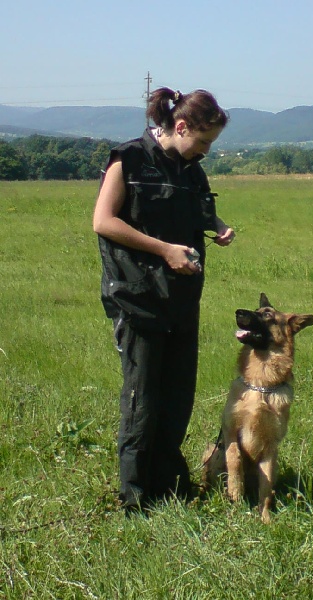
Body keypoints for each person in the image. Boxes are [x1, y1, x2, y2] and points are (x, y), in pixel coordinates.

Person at [93, 87, 235, 512]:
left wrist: (218, 225)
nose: (206, 151)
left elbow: (200, 210)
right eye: (204, 140)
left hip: (181, 299)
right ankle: (135, 499)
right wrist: (164, 250)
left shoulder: (191, 170)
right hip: (136, 295)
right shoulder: (130, 159)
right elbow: (103, 221)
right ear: (180, 126)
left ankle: (170, 488)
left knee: (177, 395)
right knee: (143, 397)